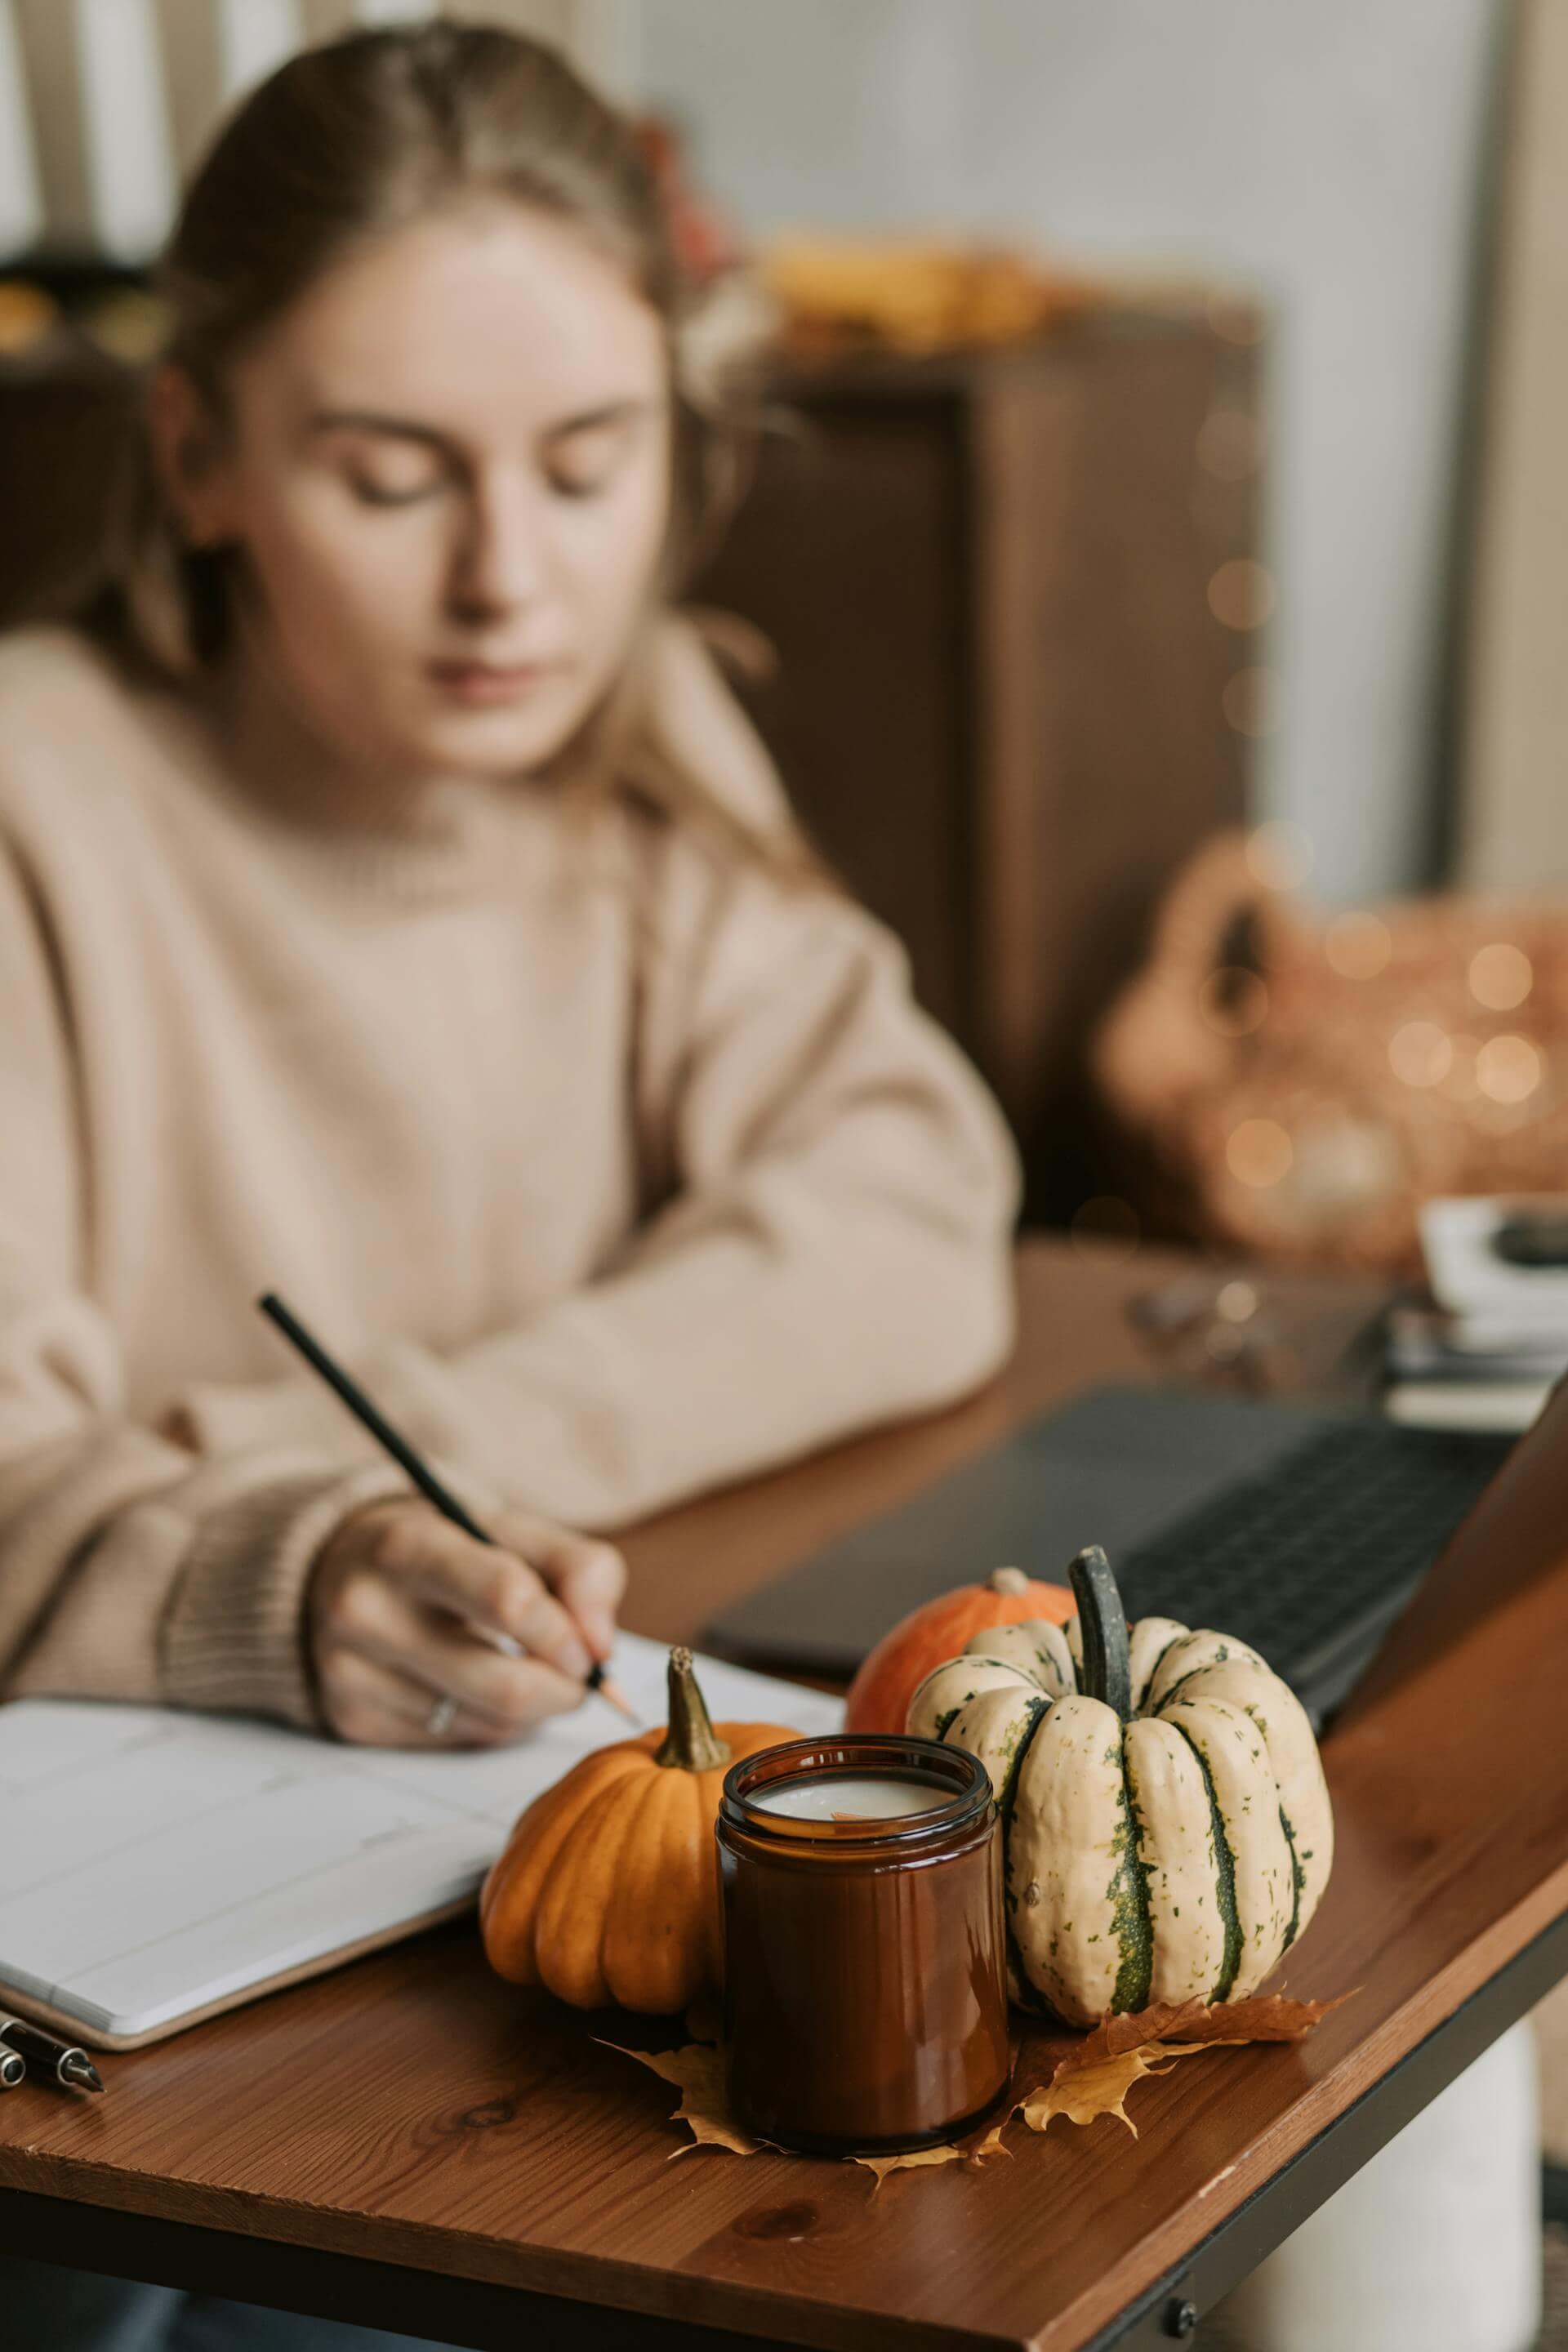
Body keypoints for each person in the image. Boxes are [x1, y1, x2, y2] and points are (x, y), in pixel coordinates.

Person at [0, 22, 1017, 2348]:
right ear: (202, 454)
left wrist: (386, 1463)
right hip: (184, 2048)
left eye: (590, 466)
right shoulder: (36, 806)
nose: (511, 585)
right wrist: (280, 1570)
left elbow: (911, 1197)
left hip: (511, 1865)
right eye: (390, 475)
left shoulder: (629, 727)